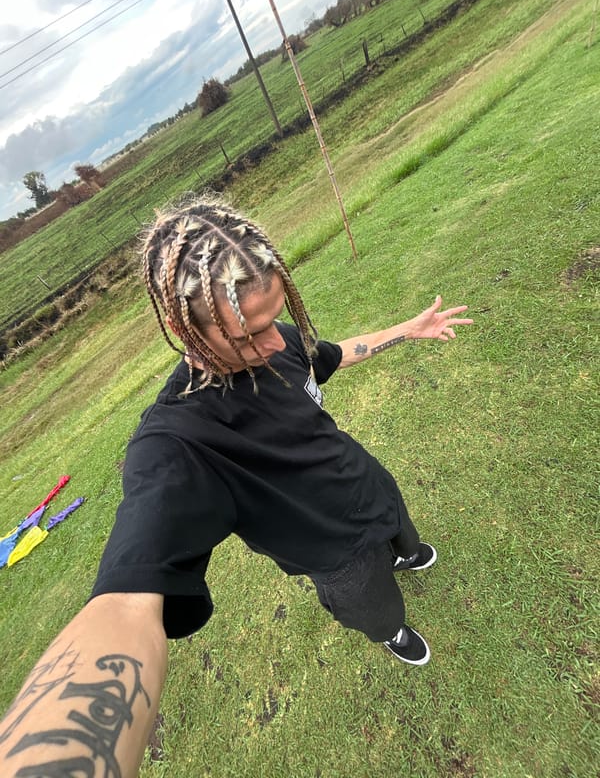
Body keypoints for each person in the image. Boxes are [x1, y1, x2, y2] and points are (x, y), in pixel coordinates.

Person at [0, 195, 472, 777]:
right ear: (182, 328)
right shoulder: (178, 439)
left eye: (276, 318)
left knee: (405, 537)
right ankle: (391, 632)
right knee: (375, 606)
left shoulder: (276, 342)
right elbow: (123, 601)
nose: (275, 344)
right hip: (333, 554)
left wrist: (410, 328)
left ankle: (410, 553)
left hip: (371, 486)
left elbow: (330, 355)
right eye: (249, 334)